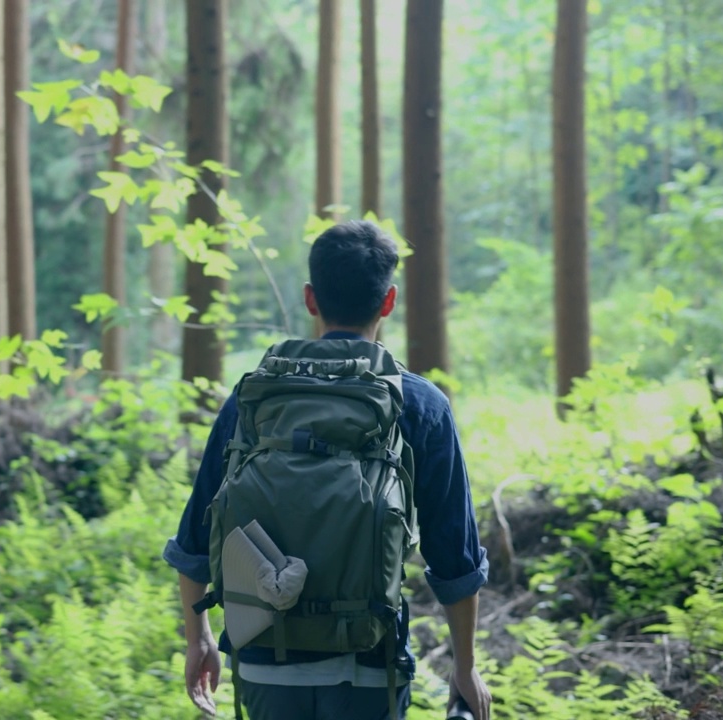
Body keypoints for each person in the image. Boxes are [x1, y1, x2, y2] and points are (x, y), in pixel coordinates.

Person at [163, 220, 493, 720]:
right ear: (389, 301)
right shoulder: (419, 404)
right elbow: (454, 555)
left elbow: (194, 541)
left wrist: (200, 638)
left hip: (262, 656)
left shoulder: (254, 397)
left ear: (310, 298)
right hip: (367, 663)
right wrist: (464, 666)